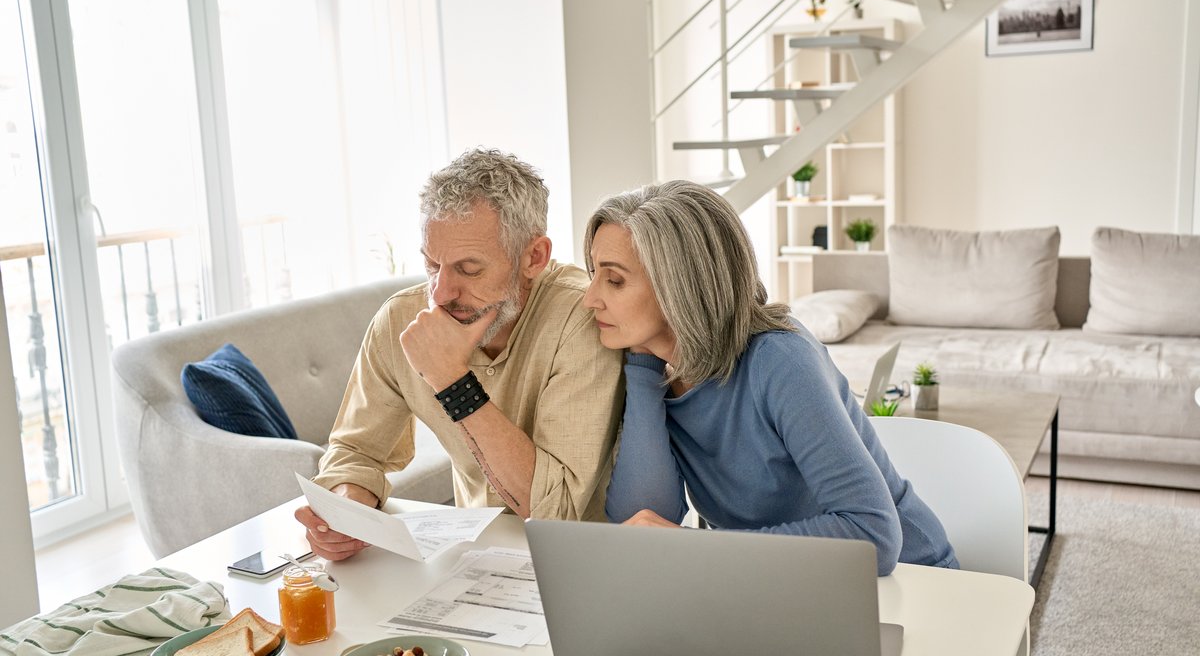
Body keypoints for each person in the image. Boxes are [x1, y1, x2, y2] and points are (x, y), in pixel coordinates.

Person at [582, 180, 957, 576]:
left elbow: (873, 535)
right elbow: (642, 522)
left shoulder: (780, 359)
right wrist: (643, 370)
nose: (590, 297)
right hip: (778, 582)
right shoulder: (657, 367)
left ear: (679, 285)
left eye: (614, 280)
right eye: (593, 274)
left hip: (909, 581)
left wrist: (699, 546)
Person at [297, 148, 624, 560]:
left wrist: (453, 383)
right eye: (433, 264)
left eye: (469, 270)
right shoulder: (401, 318)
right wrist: (347, 510)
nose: (440, 293)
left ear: (534, 257)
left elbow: (552, 511)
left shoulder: (583, 319)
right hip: (472, 559)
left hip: (582, 561)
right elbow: (356, 452)